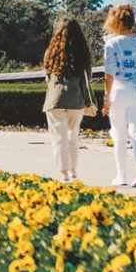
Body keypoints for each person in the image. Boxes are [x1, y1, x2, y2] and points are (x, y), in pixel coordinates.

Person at [103, 4, 136, 188]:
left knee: (119, 135)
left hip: (118, 91)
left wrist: (106, 97)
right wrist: (132, 7)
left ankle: (121, 176)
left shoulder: (112, 43)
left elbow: (109, 72)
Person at [43, 18, 94, 183]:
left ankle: (63, 173)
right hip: (76, 99)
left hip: (55, 100)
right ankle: (73, 171)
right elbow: (88, 78)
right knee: (73, 137)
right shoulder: (83, 54)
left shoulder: (50, 52)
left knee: (59, 138)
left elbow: (47, 76)